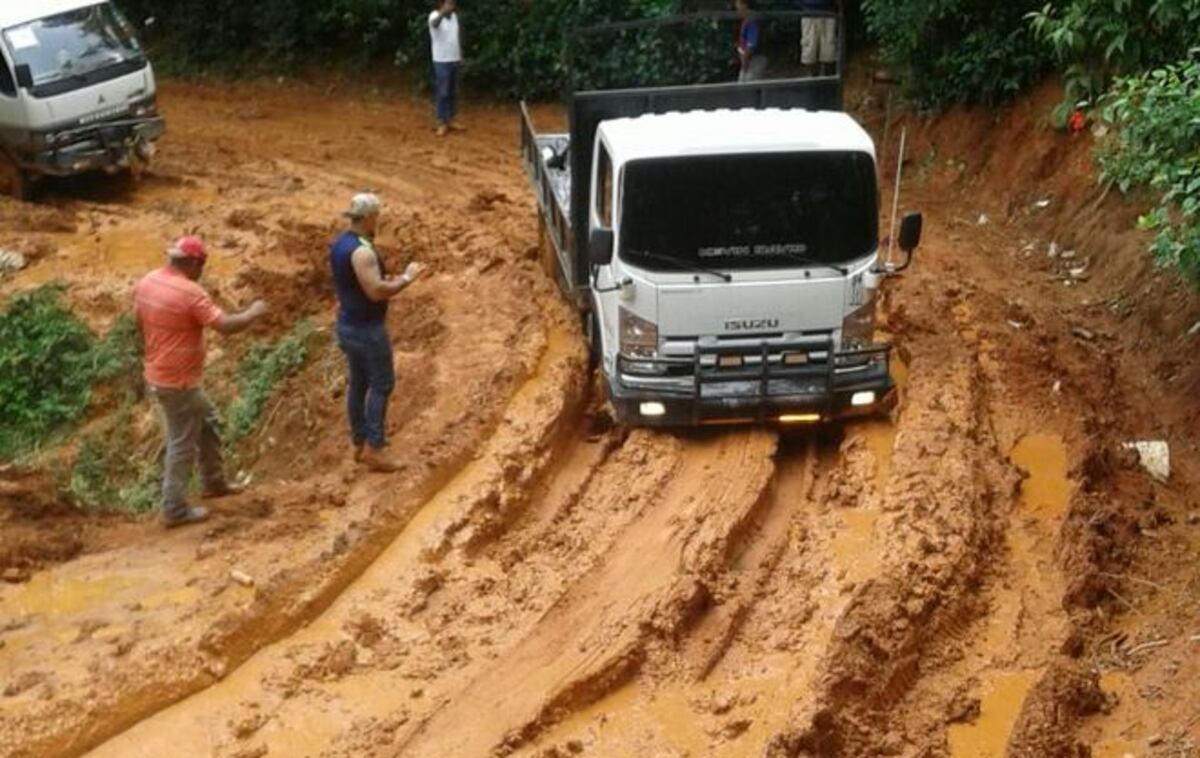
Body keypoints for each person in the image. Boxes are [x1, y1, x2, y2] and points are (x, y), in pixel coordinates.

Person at [134, 236, 268, 528]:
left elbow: (139, 322)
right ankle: (174, 508)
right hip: (178, 382)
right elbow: (225, 326)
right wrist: (253, 312)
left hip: (160, 373)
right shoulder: (189, 292)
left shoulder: (148, 282)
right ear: (194, 263)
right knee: (182, 443)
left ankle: (213, 482)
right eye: (202, 266)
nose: (202, 272)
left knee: (208, 421)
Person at [329, 193, 427, 472]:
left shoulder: (341, 244)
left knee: (359, 383)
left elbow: (353, 285)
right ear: (370, 217)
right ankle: (375, 446)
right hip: (366, 329)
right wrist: (406, 278)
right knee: (382, 383)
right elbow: (375, 291)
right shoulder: (362, 252)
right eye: (377, 217)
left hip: (348, 324)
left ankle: (360, 441)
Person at [428, 0, 464, 137]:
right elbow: (434, 24)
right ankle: (442, 122)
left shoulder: (454, 17)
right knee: (443, 92)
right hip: (441, 60)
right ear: (441, 4)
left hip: (454, 58)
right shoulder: (434, 16)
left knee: (453, 91)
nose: (452, 6)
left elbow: (456, 37)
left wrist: (460, 55)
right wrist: (442, 13)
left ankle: (451, 119)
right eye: (449, 3)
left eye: (453, 4)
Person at [800, 0, 838, 77]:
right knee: (809, 48)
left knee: (828, 48)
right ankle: (809, 77)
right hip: (809, 13)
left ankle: (825, 77)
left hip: (828, 12)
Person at [735, 0, 767, 82]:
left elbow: (752, 43)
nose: (736, 7)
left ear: (745, 4)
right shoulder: (746, 20)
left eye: (738, 4)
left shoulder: (751, 20)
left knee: (748, 84)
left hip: (755, 59)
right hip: (749, 59)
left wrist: (745, 60)